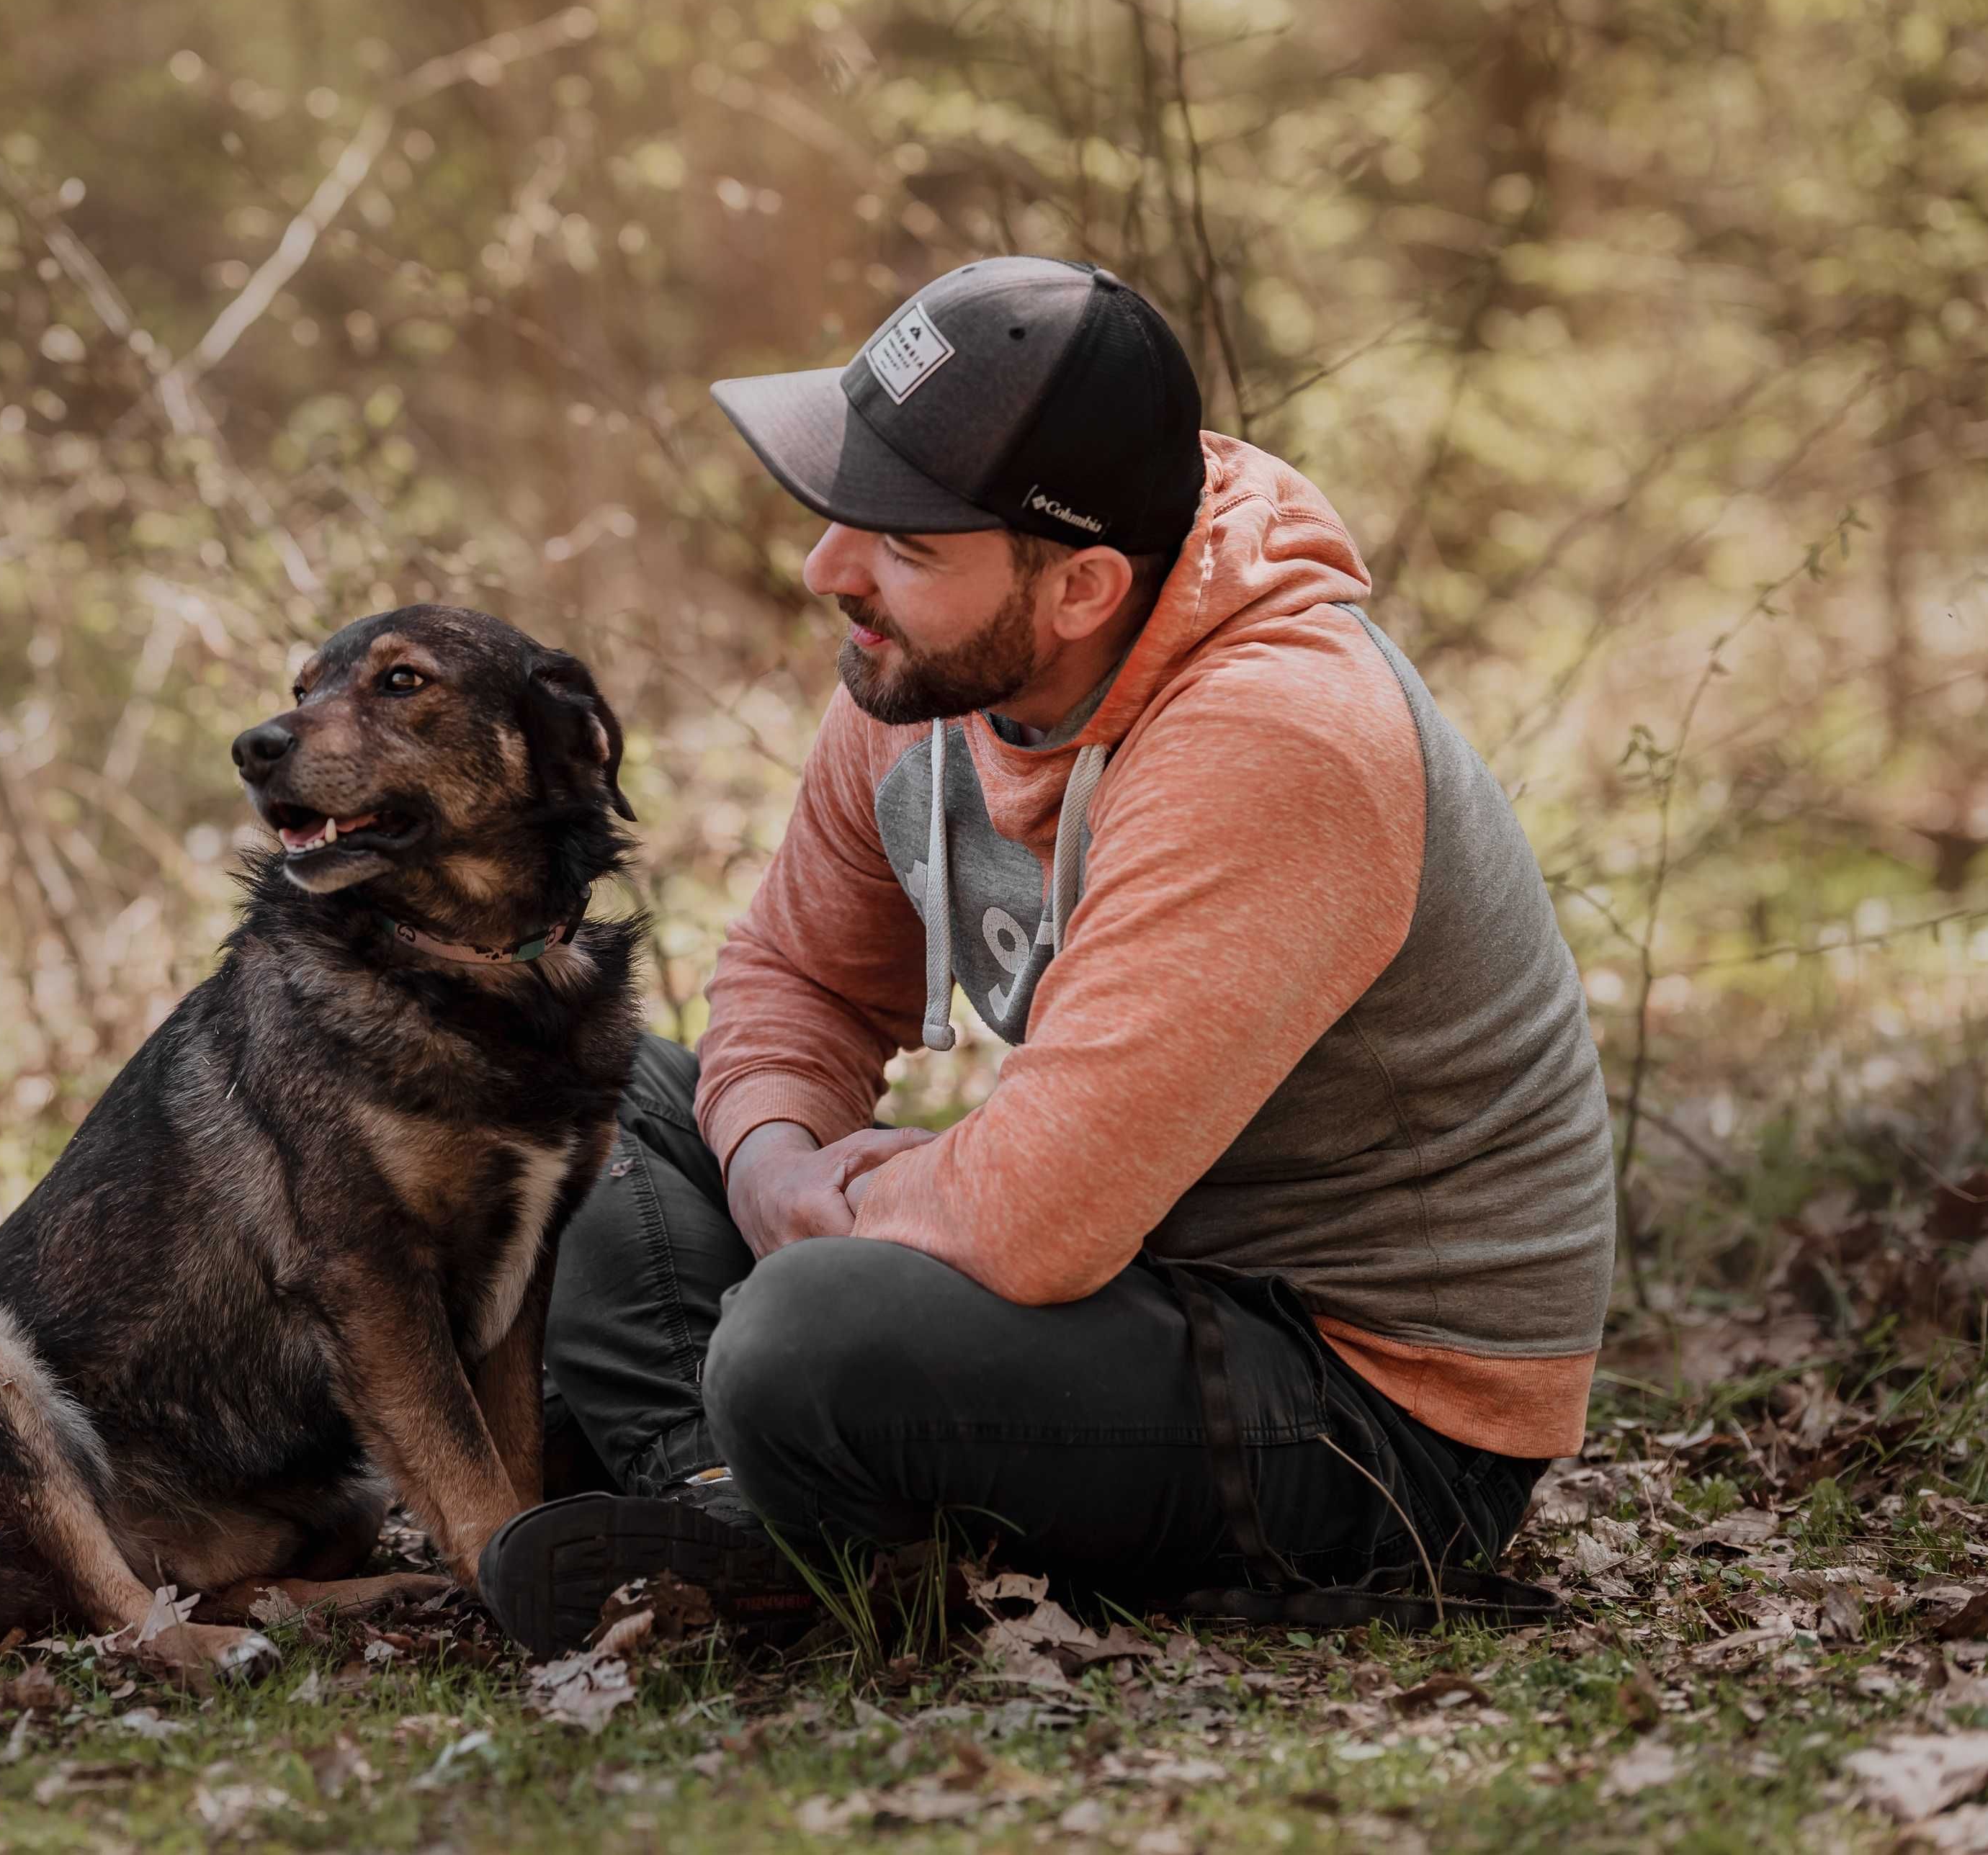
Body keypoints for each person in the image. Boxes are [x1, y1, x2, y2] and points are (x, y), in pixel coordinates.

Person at [475, 256, 1616, 1658]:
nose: (832, 569)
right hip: (1139, 1292)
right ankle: (723, 1499)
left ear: (1079, 585)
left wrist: (863, 1208)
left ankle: (767, 1496)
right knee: (570, 1080)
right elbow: (804, 979)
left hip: (1375, 1404)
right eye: (848, 510)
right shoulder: (925, 670)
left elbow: (1032, 1219)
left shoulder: (1277, 736)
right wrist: (774, 1155)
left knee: (809, 1329)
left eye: (903, 541)